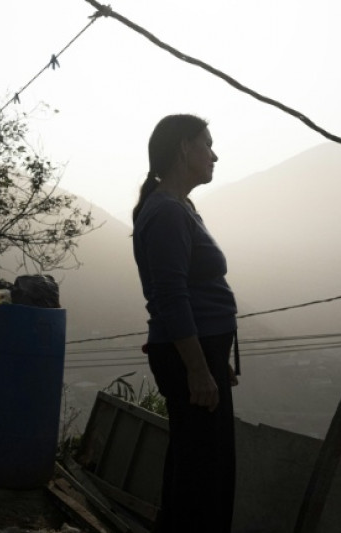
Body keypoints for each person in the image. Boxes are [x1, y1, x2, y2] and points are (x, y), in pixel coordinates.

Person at [131, 114, 240, 533]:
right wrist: (197, 367)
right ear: (183, 149)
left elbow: (189, 291)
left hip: (201, 352)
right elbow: (170, 297)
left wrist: (216, 358)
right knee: (204, 475)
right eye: (206, 144)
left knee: (195, 463)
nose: (214, 154)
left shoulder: (179, 207)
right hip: (188, 358)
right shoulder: (167, 213)